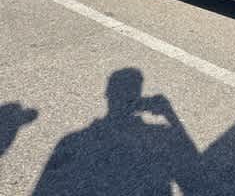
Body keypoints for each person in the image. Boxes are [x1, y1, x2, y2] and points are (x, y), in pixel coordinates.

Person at [32, 68, 201, 195]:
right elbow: (195, 175)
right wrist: (170, 115)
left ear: (107, 94)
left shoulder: (71, 140)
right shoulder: (162, 135)